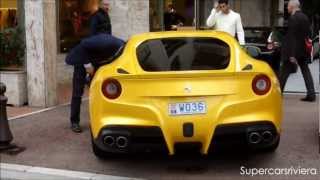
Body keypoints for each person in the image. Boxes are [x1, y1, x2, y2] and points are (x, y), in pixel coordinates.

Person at [65, 34, 125, 133]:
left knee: (99, 92)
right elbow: (84, 45)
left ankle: (101, 120)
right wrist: (88, 65)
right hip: (82, 60)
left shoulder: (120, 48)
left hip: (95, 61)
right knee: (77, 92)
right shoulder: (108, 43)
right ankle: (74, 122)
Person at [279, 0, 316, 102]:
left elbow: (292, 37)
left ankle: (278, 94)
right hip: (303, 50)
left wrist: (292, 54)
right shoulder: (305, 17)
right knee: (305, 71)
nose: (287, 8)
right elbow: (308, 34)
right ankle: (311, 94)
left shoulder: (294, 18)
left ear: (292, 6)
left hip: (293, 50)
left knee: (284, 72)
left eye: (288, 6)